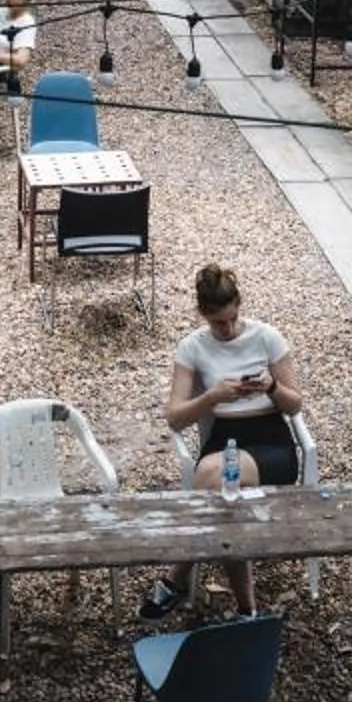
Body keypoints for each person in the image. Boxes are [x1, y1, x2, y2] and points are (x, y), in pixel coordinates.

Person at [141, 262, 307, 619]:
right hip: (224, 437)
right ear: (204, 315)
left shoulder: (267, 337)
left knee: (214, 478)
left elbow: (295, 405)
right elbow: (175, 417)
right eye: (218, 322)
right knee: (223, 497)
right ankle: (247, 609)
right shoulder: (192, 348)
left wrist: (272, 387)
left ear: (239, 306)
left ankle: (177, 578)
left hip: (269, 441)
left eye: (233, 318)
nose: (228, 328)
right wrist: (212, 397)